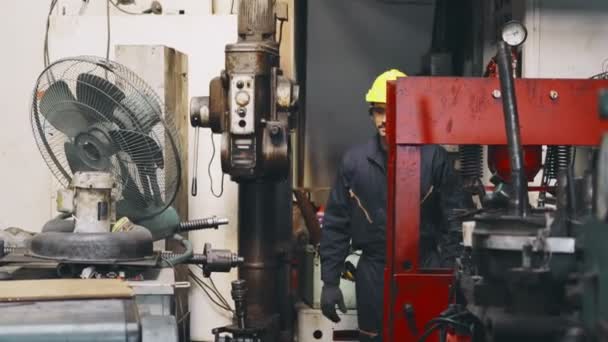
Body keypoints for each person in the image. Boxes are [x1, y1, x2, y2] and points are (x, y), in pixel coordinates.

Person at [319, 69, 470, 341]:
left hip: (425, 268)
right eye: (378, 111)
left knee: (422, 335)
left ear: (410, 110)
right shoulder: (354, 163)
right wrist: (329, 281)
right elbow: (336, 225)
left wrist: (449, 277)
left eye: (393, 109)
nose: (385, 119)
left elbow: (455, 221)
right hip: (373, 273)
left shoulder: (433, 159)